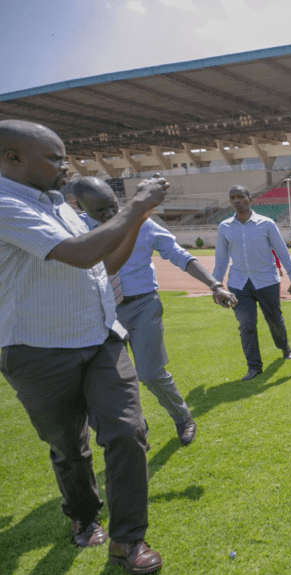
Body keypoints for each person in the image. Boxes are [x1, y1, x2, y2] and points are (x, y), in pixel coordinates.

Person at [0, 119, 167, 574]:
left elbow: (105, 260)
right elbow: (77, 253)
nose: (64, 165)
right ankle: (82, 515)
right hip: (38, 350)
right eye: (53, 157)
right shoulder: (4, 203)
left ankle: (128, 540)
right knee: (70, 448)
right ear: (12, 158)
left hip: (100, 339)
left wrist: (140, 215)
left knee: (128, 432)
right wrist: (133, 206)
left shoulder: (61, 205)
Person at [72, 176, 237, 446]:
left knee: (150, 374)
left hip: (142, 305)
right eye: (100, 211)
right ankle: (135, 428)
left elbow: (179, 254)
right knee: (111, 382)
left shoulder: (142, 222)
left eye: (113, 206)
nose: (110, 214)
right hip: (101, 312)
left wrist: (215, 284)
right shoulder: (75, 228)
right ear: (79, 206)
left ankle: (183, 417)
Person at [213, 185, 291, 382]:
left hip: (267, 281)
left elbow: (282, 251)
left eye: (240, 197)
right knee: (246, 324)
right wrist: (216, 286)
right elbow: (220, 258)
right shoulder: (225, 227)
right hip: (238, 284)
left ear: (249, 198)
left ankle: (284, 346)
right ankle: (254, 366)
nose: (236, 201)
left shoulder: (267, 224)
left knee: (274, 320)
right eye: (232, 198)